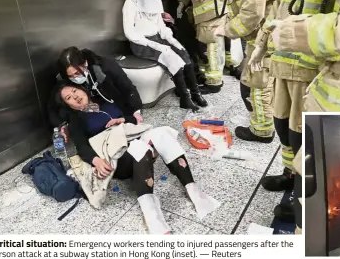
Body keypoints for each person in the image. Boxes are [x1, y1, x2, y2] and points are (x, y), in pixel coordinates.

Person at [246, 0, 340, 220]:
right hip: (282, 59)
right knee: (281, 125)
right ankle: (289, 174)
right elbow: (279, 7)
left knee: (302, 135)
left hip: (311, 66)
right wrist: (262, 44)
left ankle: (302, 197)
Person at [56, 83, 219, 234]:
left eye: (75, 91)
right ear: (68, 105)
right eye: (69, 98)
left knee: (161, 134)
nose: (75, 96)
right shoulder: (76, 119)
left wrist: (123, 120)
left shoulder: (104, 100)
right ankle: (152, 215)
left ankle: (194, 191)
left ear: (83, 89)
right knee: (141, 148)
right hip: (118, 157)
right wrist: (96, 161)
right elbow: (81, 147)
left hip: (134, 138)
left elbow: (132, 118)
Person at [213, 0, 284, 144]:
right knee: (270, 80)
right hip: (279, 27)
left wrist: (227, 30)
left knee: (258, 83)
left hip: (264, 33)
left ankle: (262, 131)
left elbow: (253, 10)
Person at [122, 0, 207, 112]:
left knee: (184, 54)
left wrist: (171, 39)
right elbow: (129, 32)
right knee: (172, 59)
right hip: (142, 43)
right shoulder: (130, 3)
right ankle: (185, 99)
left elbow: (160, 25)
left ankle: (195, 93)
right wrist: (152, 44)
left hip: (158, 38)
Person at [150, 0, 229, 94]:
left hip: (213, 7)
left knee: (211, 44)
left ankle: (214, 83)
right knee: (203, 44)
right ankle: (206, 76)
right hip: (204, 9)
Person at [47, 46, 145, 142]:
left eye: (77, 73)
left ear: (85, 63)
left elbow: (128, 88)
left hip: (113, 104)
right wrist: (61, 125)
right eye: (71, 76)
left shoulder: (107, 66)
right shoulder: (65, 80)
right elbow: (53, 105)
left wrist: (136, 112)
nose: (75, 78)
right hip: (91, 116)